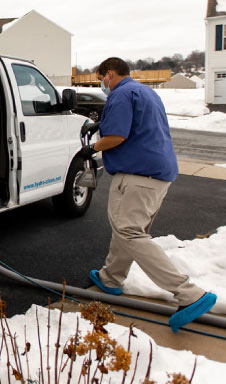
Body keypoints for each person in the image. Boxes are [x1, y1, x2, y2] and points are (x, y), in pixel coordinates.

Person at [80, 57, 216, 333]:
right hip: (158, 173)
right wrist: (101, 126)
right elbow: (135, 126)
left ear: (109, 74)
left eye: (100, 79)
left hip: (137, 176)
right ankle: (111, 278)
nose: (101, 84)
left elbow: (117, 137)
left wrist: (92, 148)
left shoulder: (120, 94)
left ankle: (189, 294)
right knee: (128, 229)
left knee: (129, 232)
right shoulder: (145, 91)